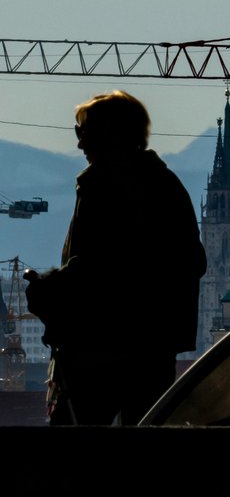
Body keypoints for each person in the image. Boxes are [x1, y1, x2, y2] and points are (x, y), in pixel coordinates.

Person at [26, 91, 206, 425]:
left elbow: (98, 266)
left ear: (110, 134)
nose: (80, 145)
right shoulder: (164, 183)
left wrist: (48, 288)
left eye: (85, 133)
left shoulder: (106, 185)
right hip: (151, 349)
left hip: (99, 348)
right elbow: (190, 261)